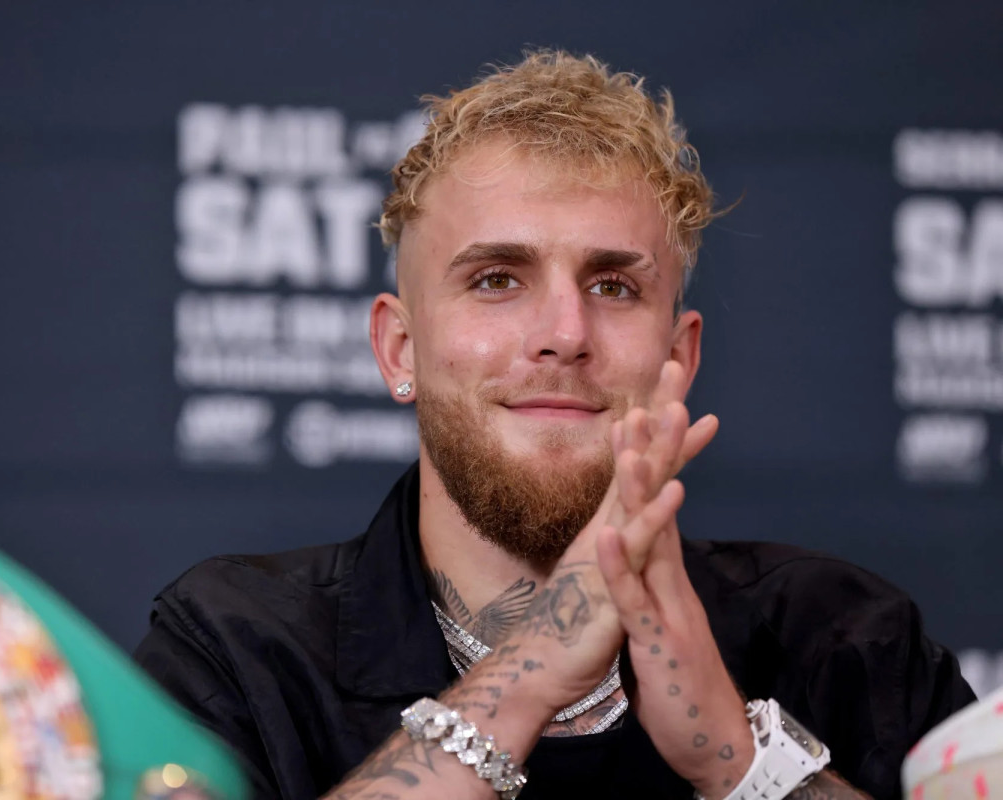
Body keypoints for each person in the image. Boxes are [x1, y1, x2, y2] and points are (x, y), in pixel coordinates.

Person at [135, 51, 974, 800]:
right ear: (400, 350)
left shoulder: (848, 641)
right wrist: (528, 675)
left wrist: (737, 757)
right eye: (498, 279)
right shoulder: (235, 649)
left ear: (679, 357)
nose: (565, 334)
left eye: (613, 286)